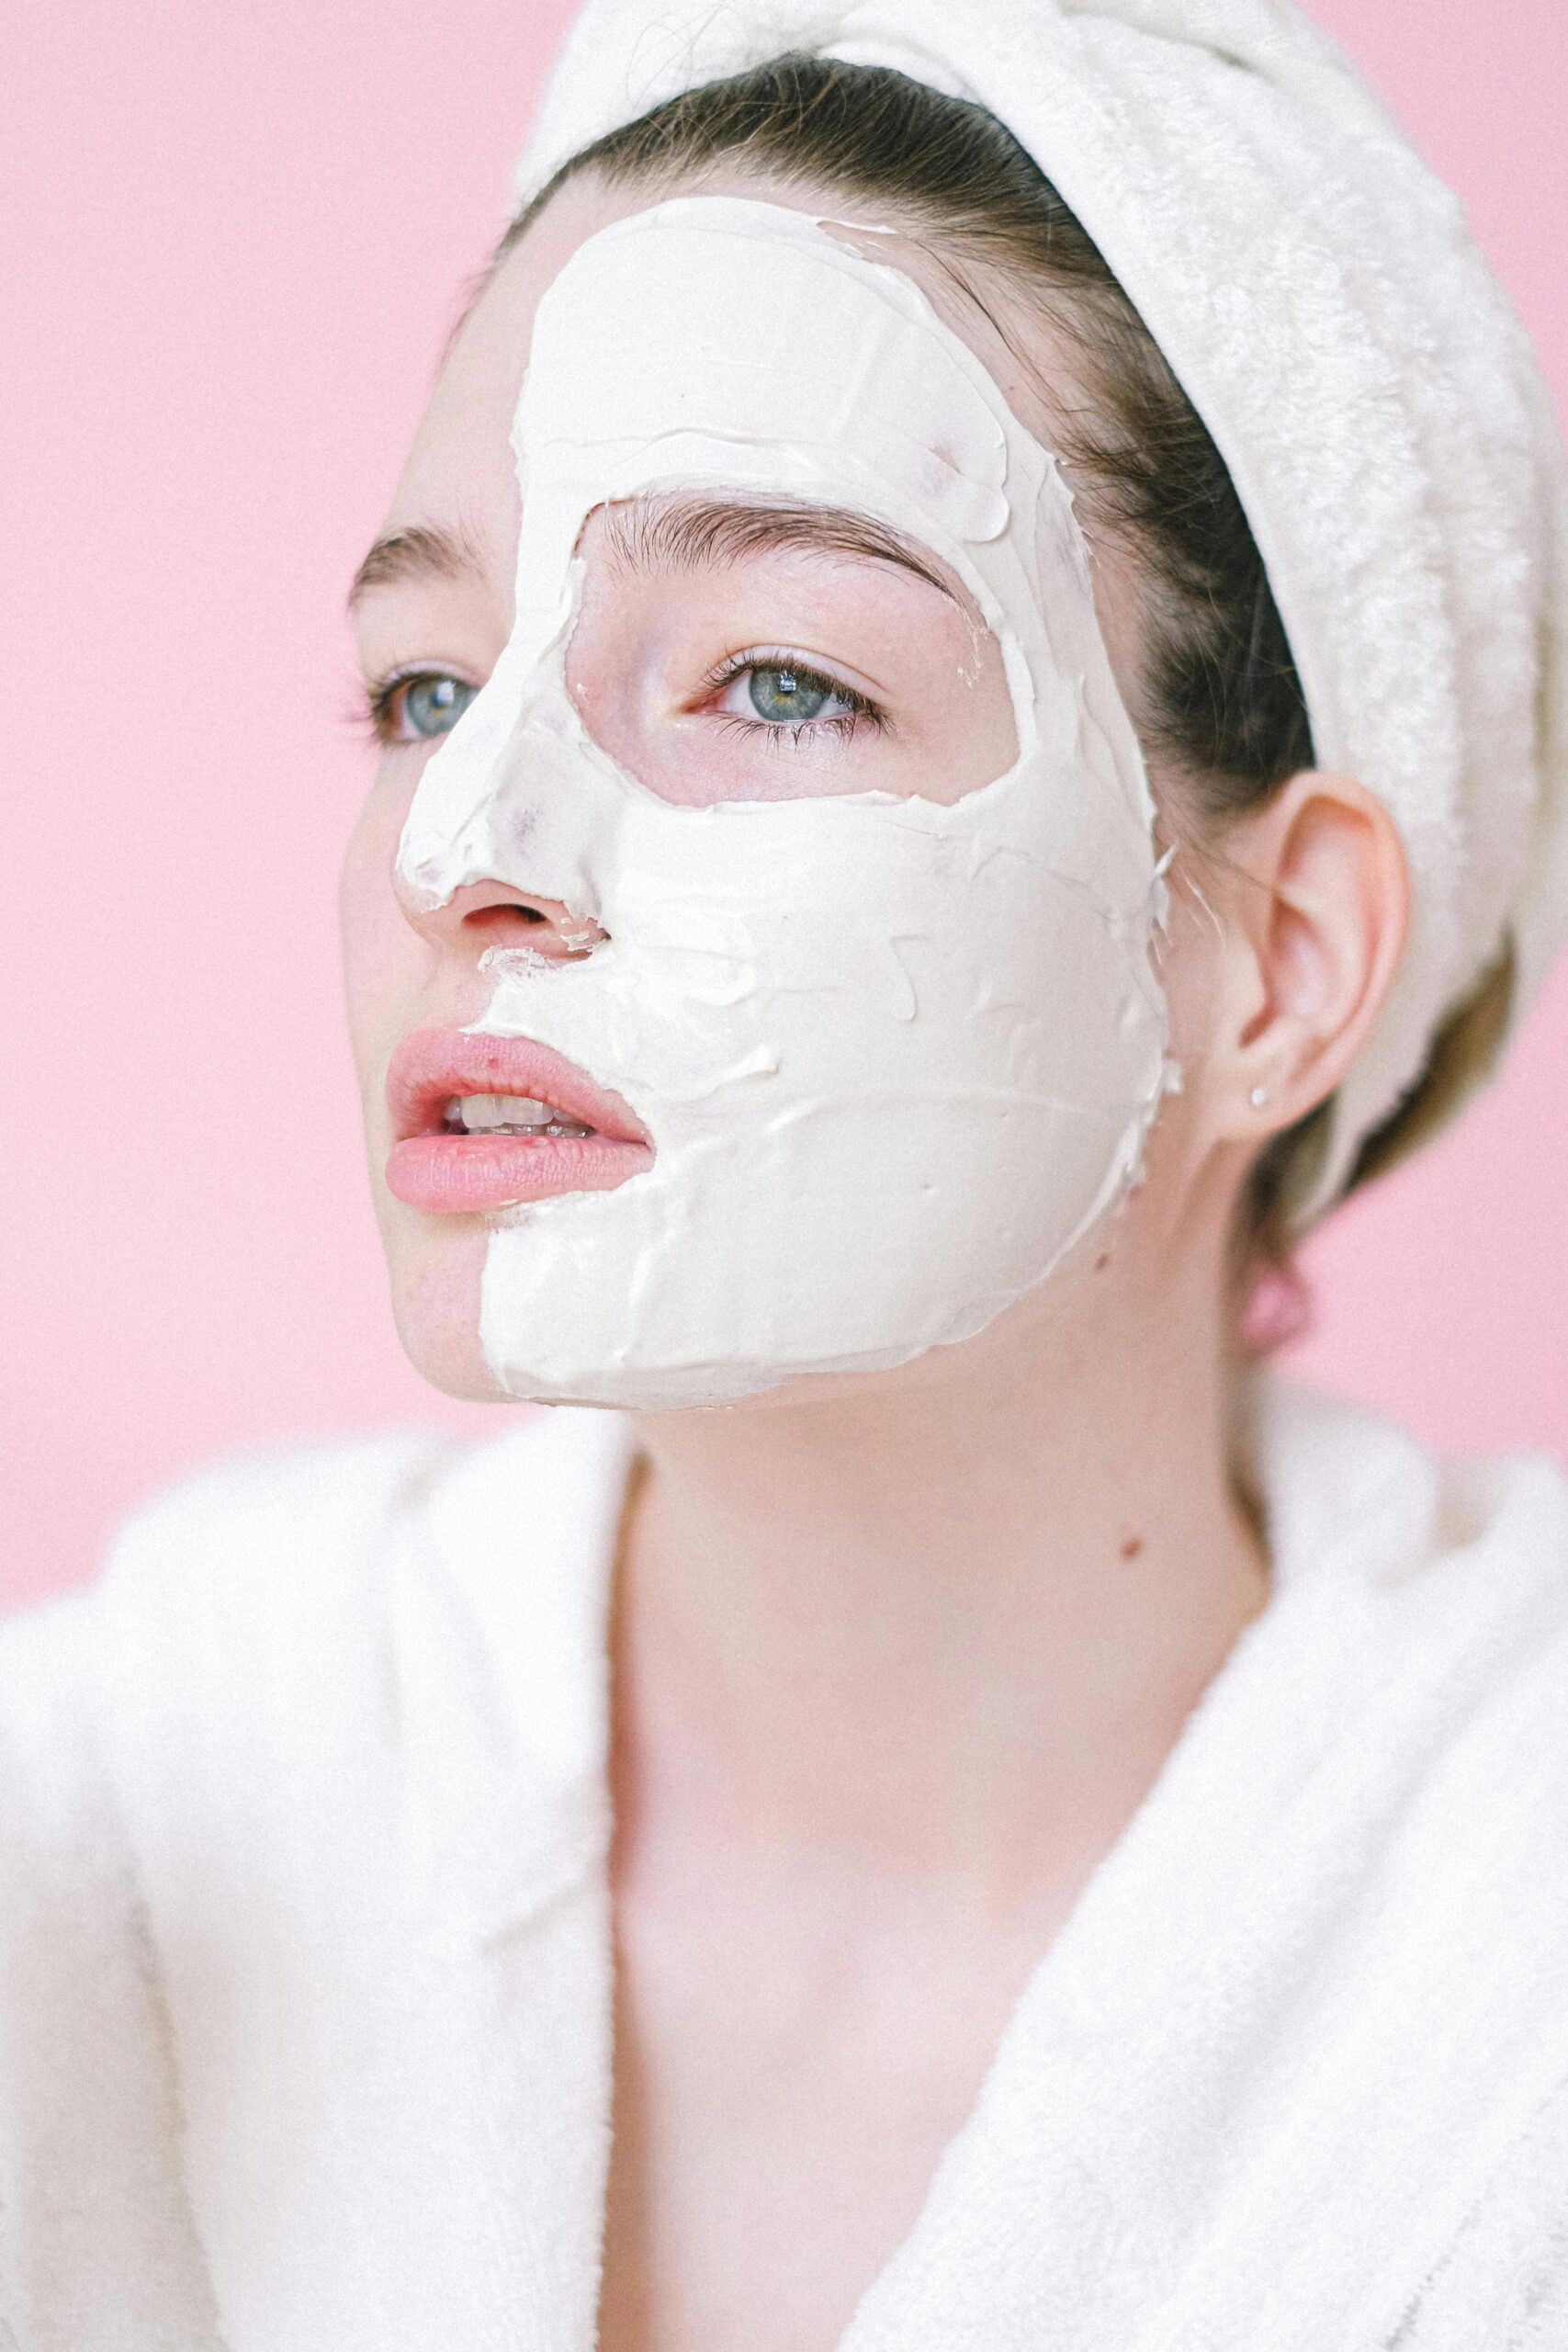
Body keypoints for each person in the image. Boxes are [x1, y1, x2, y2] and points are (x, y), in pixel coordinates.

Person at [4, 4, 1567, 2346]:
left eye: (773, 679)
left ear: (1273, 961)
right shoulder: (130, 1831)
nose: (465, 847)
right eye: (427, 687)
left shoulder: (1504, 1987)